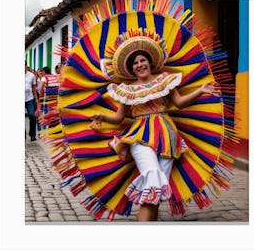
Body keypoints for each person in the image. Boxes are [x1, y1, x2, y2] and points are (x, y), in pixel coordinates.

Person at [90, 48, 220, 221]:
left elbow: (180, 103)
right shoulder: (127, 90)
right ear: (131, 68)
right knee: (152, 176)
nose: (139, 65)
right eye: (135, 63)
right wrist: (102, 116)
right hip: (140, 136)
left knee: (158, 185)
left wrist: (201, 90)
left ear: (149, 63)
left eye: (142, 60)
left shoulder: (165, 81)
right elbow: (119, 117)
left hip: (167, 137)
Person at [25, 62, 38, 141]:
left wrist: (36, 98)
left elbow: (33, 87)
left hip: (29, 98)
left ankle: (32, 135)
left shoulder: (31, 75)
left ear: (26, 66)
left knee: (32, 116)